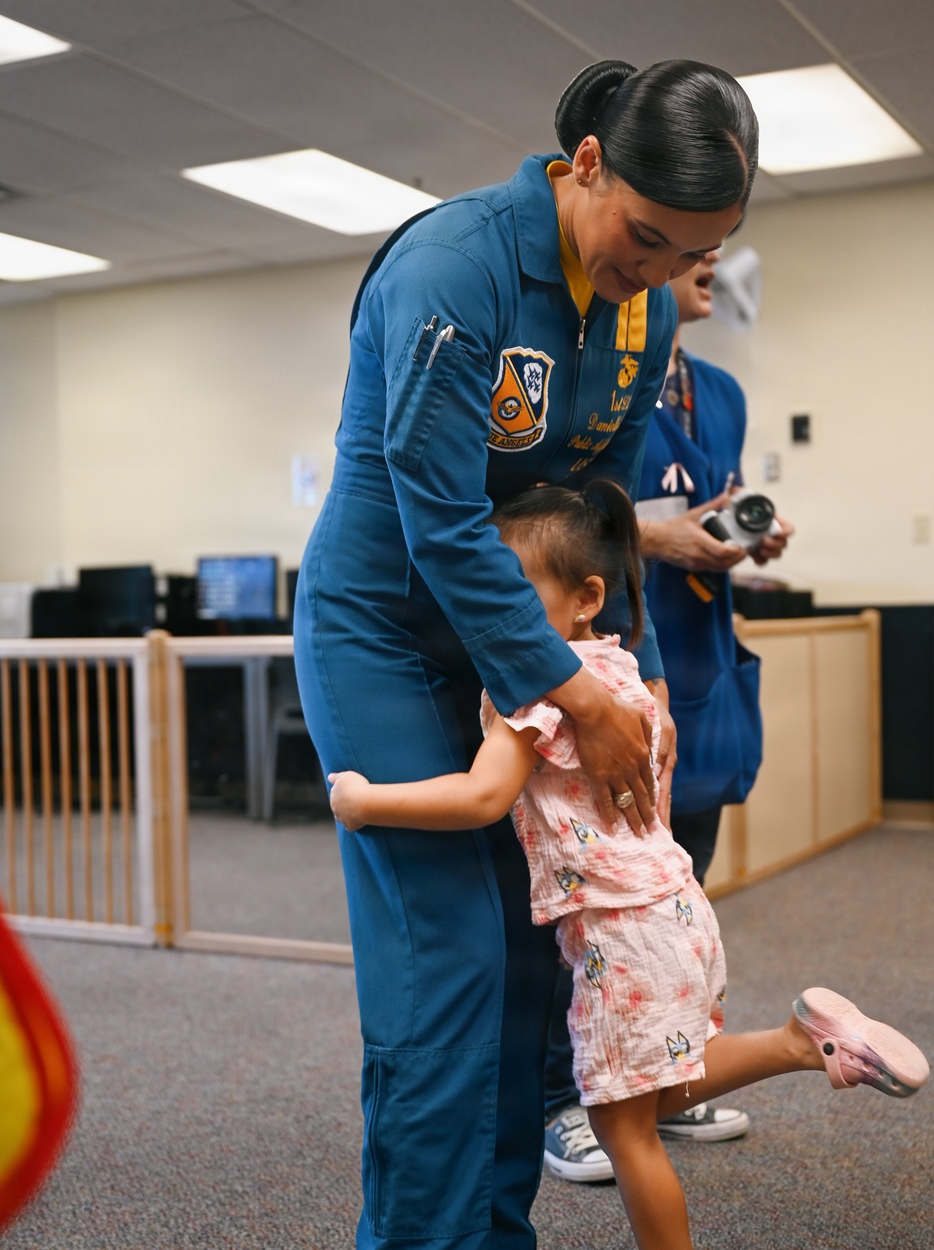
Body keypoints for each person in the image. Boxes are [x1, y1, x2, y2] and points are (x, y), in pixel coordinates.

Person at [294, 57, 758, 1249]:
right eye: (644, 238)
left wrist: (626, 670)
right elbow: (440, 518)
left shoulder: (643, 306)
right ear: (585, 162)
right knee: (447, 963)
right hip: (390, 632)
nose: (654, 275)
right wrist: (570, 695)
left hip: (522, 642)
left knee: (532, 958)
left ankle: (493, 1228)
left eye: (685, 257)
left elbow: (588, 504)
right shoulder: (455, 268)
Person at [327, 482, 930, 1250]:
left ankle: (798, 1052)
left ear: (586, 597)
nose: (493, 616)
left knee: (623, 1126)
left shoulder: (539, 691)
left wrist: (367, 801)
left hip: (623, 932)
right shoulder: (620, 674)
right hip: (678, 911)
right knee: (663, 1083)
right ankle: (800, 1041)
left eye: (516, 597)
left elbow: (482, 796)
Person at [543, 246, 796, 1181]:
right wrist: (654, 534)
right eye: (689, 246)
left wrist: (744, 534)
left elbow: (711, 507)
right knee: (599, 906)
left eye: (713, 247)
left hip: (703, 655)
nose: (712, 260)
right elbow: (558, 511)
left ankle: (666, 1083)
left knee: (678, 894)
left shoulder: (719, 390)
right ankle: (568, 1101)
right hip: (616, 652)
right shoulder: (595, 369)